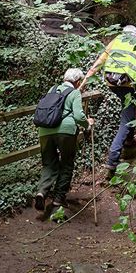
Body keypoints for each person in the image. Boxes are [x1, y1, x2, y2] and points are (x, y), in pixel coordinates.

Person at [83, 25, 136, 178]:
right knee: (126, 119)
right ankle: (113, 158)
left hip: (111, 82)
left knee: (128, 112)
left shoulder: (115, 41)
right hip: (127, 84)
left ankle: (129, 140)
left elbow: (98, 64)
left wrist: (82, 84)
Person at [34, 68, 94, 216]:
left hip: (45, 130)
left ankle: (42, 192)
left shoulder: (52, 89)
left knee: (49, 163)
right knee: (66, 163)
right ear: (77, 81)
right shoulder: (74, 93)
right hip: (65, 132)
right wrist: (89, 124)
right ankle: (58, 200)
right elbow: (79, 116)